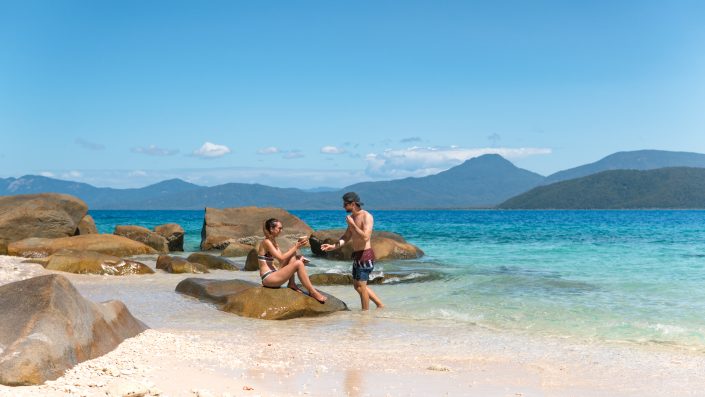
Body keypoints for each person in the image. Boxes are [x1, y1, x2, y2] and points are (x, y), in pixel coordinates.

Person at [321, 192, 384, 310]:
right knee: (357, 286)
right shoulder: (352, 218)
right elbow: (346, 237)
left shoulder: (366, 216)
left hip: (365, 255)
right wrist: (333, 246)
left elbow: (365, 237)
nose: (343, 206)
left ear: (353, 204)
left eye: (345, 204)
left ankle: (365, 313)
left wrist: (353, 225)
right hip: (357, 255)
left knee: (362, 286)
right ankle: (380, 305)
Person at [257, 218, 327, 303]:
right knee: (298, 263)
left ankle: (292, 283)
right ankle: (312, 292)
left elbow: (282, 260)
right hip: (269, 278)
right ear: (271, 229)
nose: (281, 230)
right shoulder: (266, 242)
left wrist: (297, 256)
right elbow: (281, 258)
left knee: (294, 256)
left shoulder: (273, 241)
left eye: (282, 228)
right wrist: (296, 247)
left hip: (274, 274)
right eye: (279, 228)